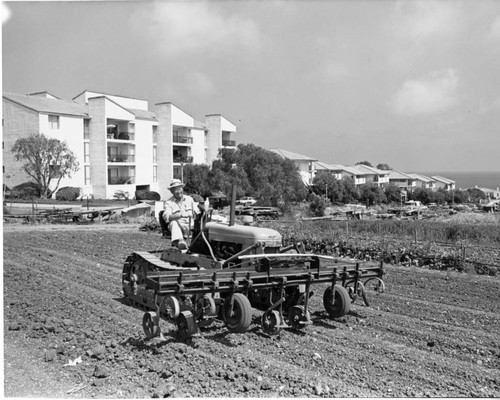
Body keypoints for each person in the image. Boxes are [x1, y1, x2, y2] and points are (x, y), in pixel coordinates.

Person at [162, 179, 199, 250]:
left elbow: (197, 212)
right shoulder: (169, 203)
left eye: (179, 188)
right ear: (172, 191)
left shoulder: (189, 199)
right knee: (173, 222)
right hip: (179, 227)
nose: (178, 191)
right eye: (175, 190)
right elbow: (167, 216)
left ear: (182, 188)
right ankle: (180, 241)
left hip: (191, 226)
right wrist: (180, 215)